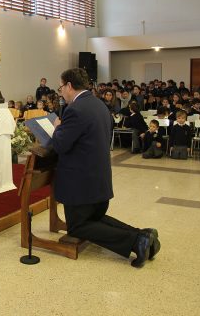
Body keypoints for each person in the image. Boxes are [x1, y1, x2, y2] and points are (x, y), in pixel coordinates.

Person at [51, 68, 159, 268]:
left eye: (61, 87)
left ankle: (137, 241)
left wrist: (58, 127)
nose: (61, 93)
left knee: (79, 226)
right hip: (98, 178)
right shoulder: (100, 105)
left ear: (69, 85)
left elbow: (60, 145)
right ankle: (143, 235)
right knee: (95, 219)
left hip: (81, 182)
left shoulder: (75, 109)